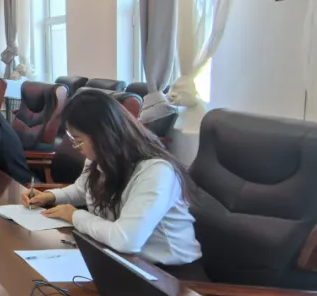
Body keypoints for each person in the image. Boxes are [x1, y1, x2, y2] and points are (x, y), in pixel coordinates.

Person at [21, 89, 204, 277]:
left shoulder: (156, 171)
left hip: (171, 276)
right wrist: (51, 196)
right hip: (123, 259)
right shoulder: (101, 158)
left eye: (78, 140)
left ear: (102, 135)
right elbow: (82, 190)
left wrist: (75, 216)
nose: (77, 148)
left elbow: (126, 240)